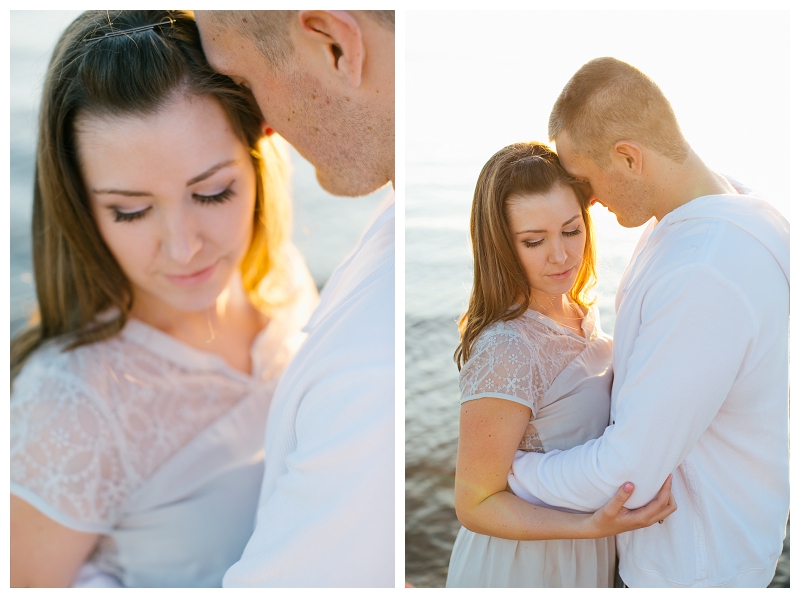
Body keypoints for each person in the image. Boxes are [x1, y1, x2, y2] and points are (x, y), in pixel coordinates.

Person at [10, 10, 318, 588]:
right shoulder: (68, 407)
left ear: (258, 166)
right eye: (130, 209)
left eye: (212, 192)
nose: (183, 249)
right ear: (81, 205)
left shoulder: (286, 283)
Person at [508, 57, 790, 588]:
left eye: (584, 178)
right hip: (700, 554)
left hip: (691, 570)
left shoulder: (706, 271)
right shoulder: (724, 208)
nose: (585, 199)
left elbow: (626, 476)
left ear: (628, 158)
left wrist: (509, 471)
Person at [193, 11, 395, 587]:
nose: (257, 127)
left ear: (334, 45)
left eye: (243, 80)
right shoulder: (380, 238)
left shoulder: (369, 370)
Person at [446, 141, 676, 588]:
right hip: (524, 569)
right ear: (500, 245)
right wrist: (588, 528)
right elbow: (474, 504)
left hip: (586, 552)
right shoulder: (506, 349)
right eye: (534, 241)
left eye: (571, 231)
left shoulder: (577, 310)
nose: (561, 255)